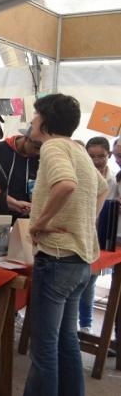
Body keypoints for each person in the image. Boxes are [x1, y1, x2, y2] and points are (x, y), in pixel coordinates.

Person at [23, 94, 108, 396]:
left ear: (45, 120)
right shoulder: (79, 150)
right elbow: (103, 186)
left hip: (57, 258)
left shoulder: (54, 146)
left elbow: (66, 185)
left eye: (34, 115)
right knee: (65, 341)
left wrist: (40, 223)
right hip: (79, 261)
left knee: (44, 348)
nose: (31, 121)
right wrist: (86, 220)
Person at [78, 137, 117, 337]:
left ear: (108, 155)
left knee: (90, 282)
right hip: (80, 234)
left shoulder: (113, 180)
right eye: (91, 156)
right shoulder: (82, 175)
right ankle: (80, 323)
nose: (96, 160)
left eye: (101, 156)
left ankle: (85, 324)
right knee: (82, 281)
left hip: (103, 238)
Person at [0, 126, 41, 221]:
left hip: (25, 216)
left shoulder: (39, 159)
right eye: (36, 148)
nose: (37, 152)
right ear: (26, 139)